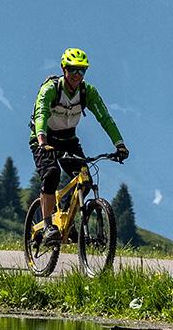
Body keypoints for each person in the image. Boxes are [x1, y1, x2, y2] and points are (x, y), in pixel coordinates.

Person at [29, 47, 129, 247]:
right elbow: (41, 114)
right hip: (44, 138)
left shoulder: (87, 92)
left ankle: (67, 219)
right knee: (51, 174)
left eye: (82, 71)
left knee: (84, 180)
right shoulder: (51, 89)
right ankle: (48, 226)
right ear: (64, 69)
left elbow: (105, 118)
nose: (77, 75)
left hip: (68, 139)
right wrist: (42, 141)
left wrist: (120, 145)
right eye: (73, 69)